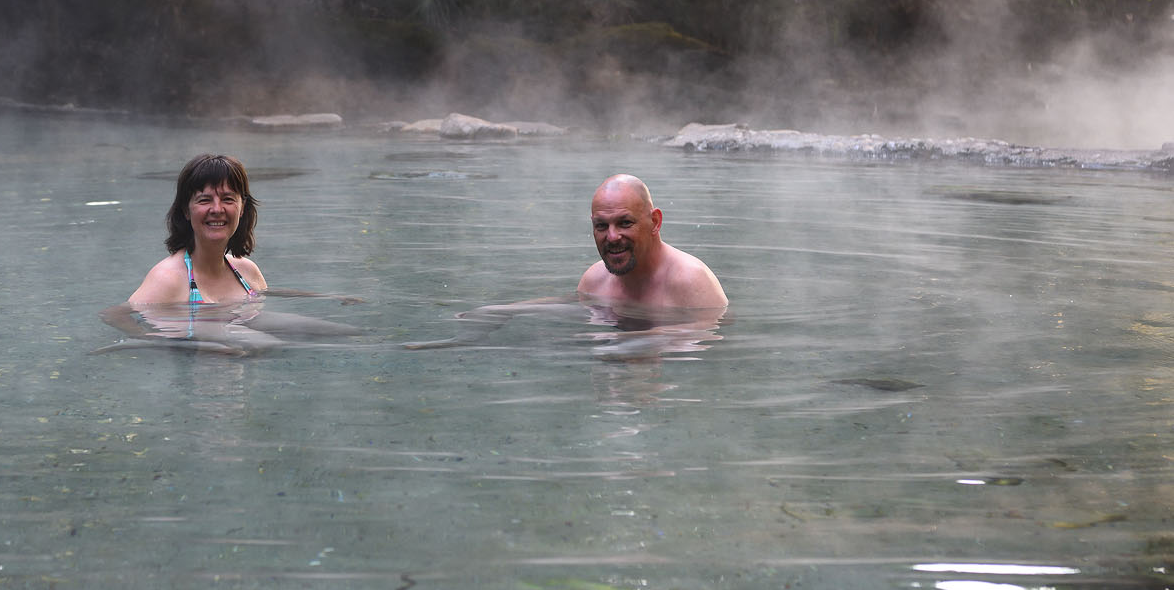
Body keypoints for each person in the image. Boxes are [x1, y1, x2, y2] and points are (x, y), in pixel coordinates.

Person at [405, 173, 727, 358]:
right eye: (602, 226)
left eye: (624, 223)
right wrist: (503, 310)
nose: (612, 237)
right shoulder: (595, 280)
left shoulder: (691, 281)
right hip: (614, 371)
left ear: (654, 222)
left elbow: (704, 339)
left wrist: (622, 345)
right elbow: (576, 306)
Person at [95, 153, 359, 356]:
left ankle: (376, 344)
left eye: (228, 199)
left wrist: (328, 296)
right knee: (272, 347)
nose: (217, 209)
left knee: (344, 332)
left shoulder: (245, 269)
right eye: (204, 200)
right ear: (186, 211)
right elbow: (113, 314)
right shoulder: (169, 277)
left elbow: (265, 294)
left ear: (242, 208)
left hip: (238, 332)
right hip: (207, 363)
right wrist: (150, 338)